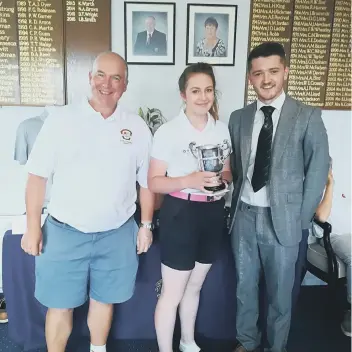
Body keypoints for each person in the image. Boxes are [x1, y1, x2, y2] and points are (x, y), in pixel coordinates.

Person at [20, 51, 155, 352]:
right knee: (59, 305)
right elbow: (36, 177)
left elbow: (147, 182)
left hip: (117, 233)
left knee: (104, 299)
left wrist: (145, 225)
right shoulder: (61, 121)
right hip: (65, 233)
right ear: (89, 78)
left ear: (125, 84)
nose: (107, 84)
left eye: (116, 78)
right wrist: (32, 228)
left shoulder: (137, 127)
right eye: (100, 75)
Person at [228, 42, 329, 352]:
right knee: (245, 289)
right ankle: (246, 341)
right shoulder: (238, 117)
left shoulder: (307, 116)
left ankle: (276, 347)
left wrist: (300, 221)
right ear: (250, 78)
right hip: (244, 216)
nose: (266, 79)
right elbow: (234, 166)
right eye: (258, 73)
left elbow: (318, 169)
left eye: (273, 71)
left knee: (280, 294)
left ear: (285, 71)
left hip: (283, 221)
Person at [148, 62, 232, 352]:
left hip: (212, 213)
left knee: (194, 286)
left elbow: (229, 172)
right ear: (183, 94)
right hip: (180, 213)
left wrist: (220, 180)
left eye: (208, 90)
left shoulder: (222, 129)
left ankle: (187, 341)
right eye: (195, 90)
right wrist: (190, 179)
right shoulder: (168, 132)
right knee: (172, 292)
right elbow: (155, 183)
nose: (203, 96)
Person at [312, 161, 351, 337]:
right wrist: (329, 185)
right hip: (336, 236)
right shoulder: (314, 188)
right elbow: (321, 216)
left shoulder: (343, 182)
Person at [14, 108, 52, 209]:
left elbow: (22, 160)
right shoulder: (26, 126)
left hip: (44, 200)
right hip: (40, 199)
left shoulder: (25, 126)